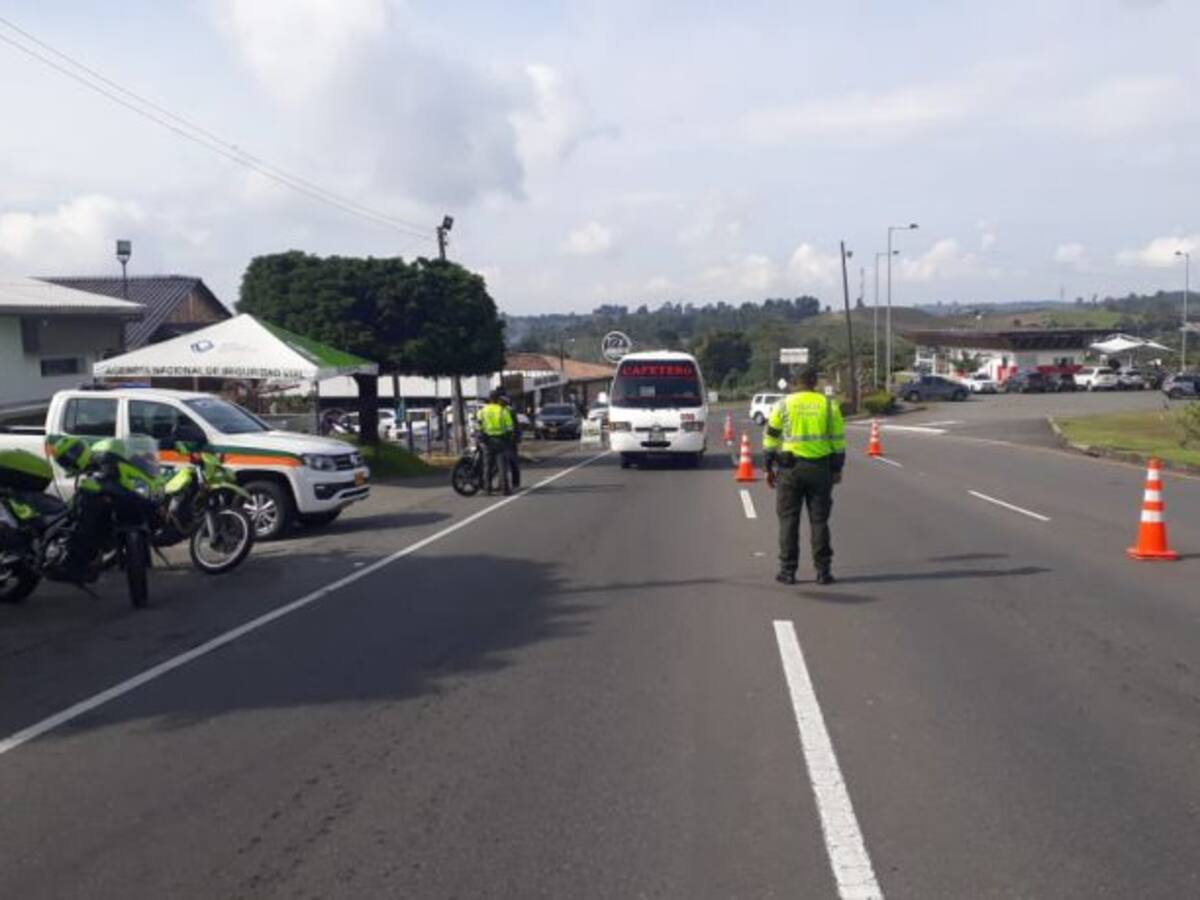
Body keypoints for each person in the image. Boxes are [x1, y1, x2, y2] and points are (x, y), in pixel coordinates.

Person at [762, 366, 846, 585]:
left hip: (790, 470)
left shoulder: (783, 404)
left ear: (794, 382)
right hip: (821, 470)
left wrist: (768, 467)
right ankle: (823, 572)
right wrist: (837, 469)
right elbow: (838, 442)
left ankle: (788, 572)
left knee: (788, 521)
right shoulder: (829, 405)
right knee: (819, 521)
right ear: (814, 382)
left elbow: (771, 437)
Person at [476, 389, 516, 496]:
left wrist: (482, 434)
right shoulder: (503, 410)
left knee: (487, 466)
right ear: (498, 399)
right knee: (502, 466)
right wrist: (509, 438)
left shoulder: (483, 410)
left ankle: (487, 489)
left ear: (489, 398)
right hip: (501, 440)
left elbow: (479, 424)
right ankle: (505, 490)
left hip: (487, 441)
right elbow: (510, 427)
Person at [500, 392, 522, 489]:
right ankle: (504, 482)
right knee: (502, 462)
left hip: (509, 439)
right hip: (501, 439)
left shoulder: (510, 411)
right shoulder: (499, 410)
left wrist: (516, 437)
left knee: (512, 461)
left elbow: (516, 426)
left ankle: (515, 482)